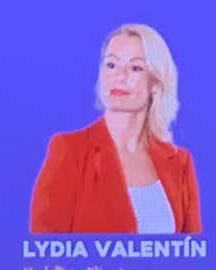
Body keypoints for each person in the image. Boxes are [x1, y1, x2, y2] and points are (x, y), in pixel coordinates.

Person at [29, 23, 200, 234]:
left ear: (155, 84)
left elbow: (194, 260)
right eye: (111, 65)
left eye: (135, 68)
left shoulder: (180, 163)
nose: (119, 76)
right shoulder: (69, 151)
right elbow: (45, 253)